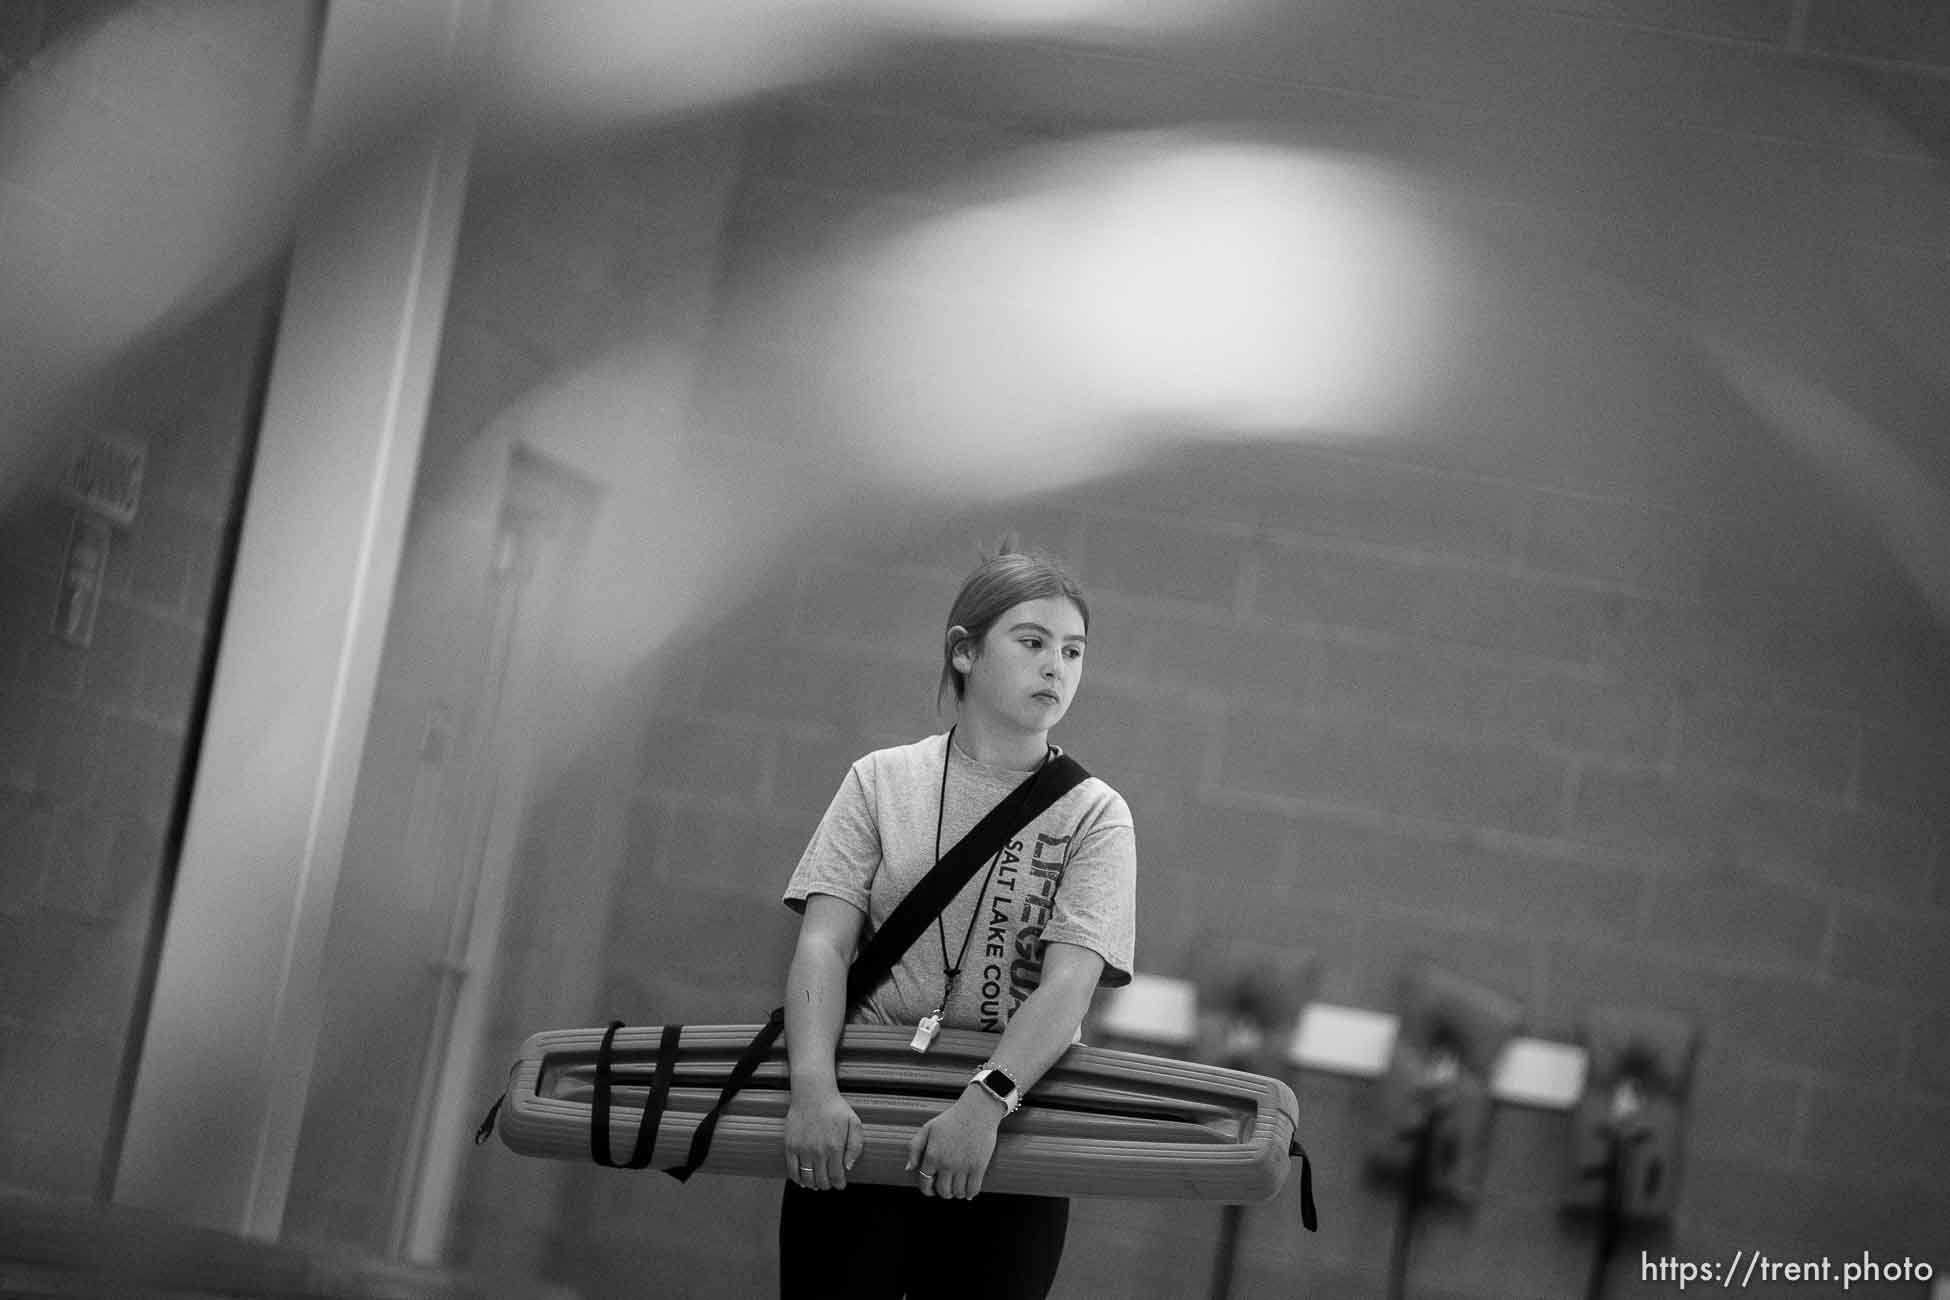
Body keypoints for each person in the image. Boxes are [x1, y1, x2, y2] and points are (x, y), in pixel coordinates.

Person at [777, 542, 1137, 1299]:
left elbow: (1070, 985)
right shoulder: (882, 780)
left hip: (1011, 1132)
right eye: (1033, 642)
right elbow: (823, 942)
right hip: (861, 1112)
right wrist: (813, 1089)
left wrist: (984, 1105)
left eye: (1073, 651)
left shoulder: (1096, 814)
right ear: (965, 651)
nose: (1056, 668)